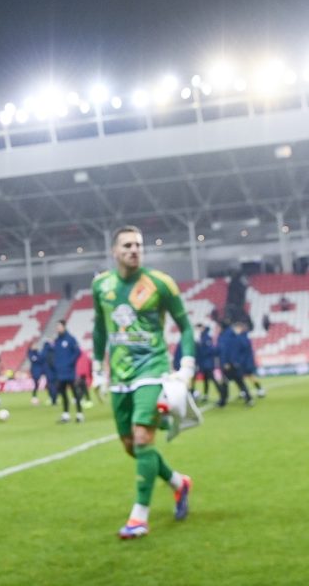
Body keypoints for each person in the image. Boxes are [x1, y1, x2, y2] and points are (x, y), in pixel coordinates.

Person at [91, 226, 195, 540]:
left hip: (152, 369)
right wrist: (97, 369)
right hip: (119, 374)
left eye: (138, 244)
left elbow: (185, 326)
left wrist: (187, 366)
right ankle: (178, 483)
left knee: (142, 437)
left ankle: (139, 517)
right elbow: (100, 329)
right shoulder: (101, 285)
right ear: (114, 251)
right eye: (127, 245)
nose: (134, 249)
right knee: (130, 445)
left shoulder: (160, 283)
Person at [51, 321, 82, 422]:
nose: (57, 328)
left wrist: (70, 362)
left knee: (75, 393)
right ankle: (66, 415)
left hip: (69, 372)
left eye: (59, 326)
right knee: (63, 393)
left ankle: (79, 414)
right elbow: (55, 355)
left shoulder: (70, 339)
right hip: (60, 373)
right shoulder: (57, 341)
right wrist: (57, 365)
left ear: (64, 327)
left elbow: (78, 352)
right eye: (57, 326)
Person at [217, 321, 253, 407]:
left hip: (229, 364)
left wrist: (226, 362)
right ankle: (248, 399)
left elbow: (226, 351)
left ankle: (223, 401)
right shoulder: (234, 336)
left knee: (227, 382)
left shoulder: (226, 337)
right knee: (238, 382)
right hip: (235, 363)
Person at [193, 322, 226, 406]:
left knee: (213, 380)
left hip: (207, 364)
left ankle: (222, 397)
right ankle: (206, 395)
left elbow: (209, 350)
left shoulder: (206, 337)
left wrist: (199, 347)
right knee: (206, 380)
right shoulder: (201, 337)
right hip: (203, 363)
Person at [237, 320, 265, 398]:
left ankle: (259, 389)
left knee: (250, 376)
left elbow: (243, 351)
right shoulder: (244, 337)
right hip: (245, 361)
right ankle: (244, 391)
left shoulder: (242, 338)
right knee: (242, 377)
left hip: (246, 362)